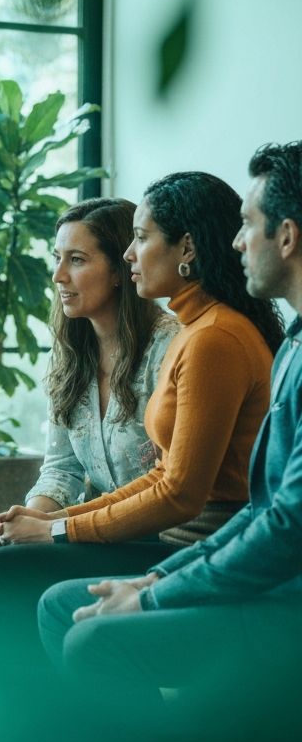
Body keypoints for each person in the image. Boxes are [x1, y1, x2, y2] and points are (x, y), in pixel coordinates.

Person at [0, 171, 284, 666]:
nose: (131, 255)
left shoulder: (209, 338)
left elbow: (178, 493)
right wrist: (50, 518)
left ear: (187, 249)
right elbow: (157, 475)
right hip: (174, 537)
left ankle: (6, 723)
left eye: (140, 239)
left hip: (185, 545)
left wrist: (54, 530)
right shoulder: (199, 333)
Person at [39, 142, 302, 697]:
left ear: (286, 237)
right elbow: (263, 509)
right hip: (209, 545)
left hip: (236, 563)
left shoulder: (216, 338)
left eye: (140, 238)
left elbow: (198, 498)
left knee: (73, 620)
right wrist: (151, 577)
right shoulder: (259, 341)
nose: (236, 242)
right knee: (26, 582)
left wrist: (152, 585)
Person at [0, 197, 178, 656]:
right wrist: (32, 516)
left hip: (151, 539)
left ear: (122, 267)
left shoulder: (169, 349)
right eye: (57, 259)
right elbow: (60, 469)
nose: (59, 276)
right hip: (91, 530)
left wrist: (54, 527)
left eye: (76, 260)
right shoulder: (71, 353)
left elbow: (168, 488)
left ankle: (3, 705)